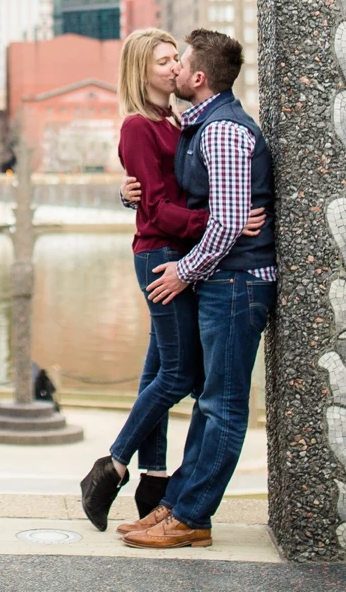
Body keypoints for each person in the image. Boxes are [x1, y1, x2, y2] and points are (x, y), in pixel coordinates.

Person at [78, 30, 264, 533]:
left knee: (160, 366)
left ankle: (154, 477)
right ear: (143, 71)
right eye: (163, 61)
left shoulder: (180, 121)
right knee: (179, 375)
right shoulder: (140, 126)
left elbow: (174, 190)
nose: (172, 67)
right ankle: (112, 467)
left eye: (175, 59)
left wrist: (142, 199)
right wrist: (223, 220)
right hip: (163, 255)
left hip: (186, 256)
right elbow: (157, 209)